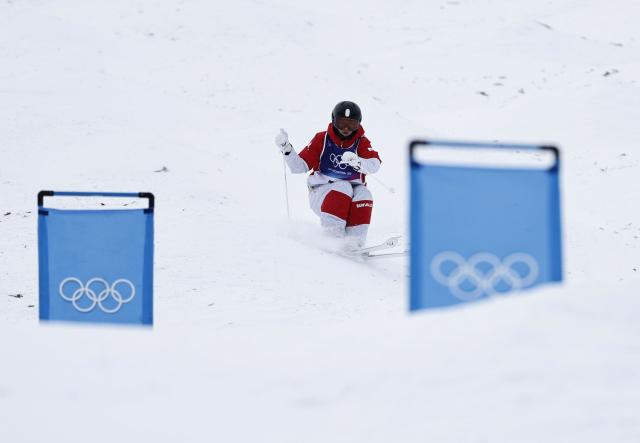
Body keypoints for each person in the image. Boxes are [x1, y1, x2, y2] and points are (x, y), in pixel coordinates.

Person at [275, 101, 382, 247]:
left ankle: (354, 243)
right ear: (333, 121)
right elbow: (299, 166)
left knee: (364, 194)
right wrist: (286, 148)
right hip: (322, 193)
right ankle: (332, 239)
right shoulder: (322, 139)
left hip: (352, 195)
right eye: (341, 123)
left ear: (358, 124)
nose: (346, 129)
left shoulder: (361, 142)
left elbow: (374, 164)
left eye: (351, 124)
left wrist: (359, 162)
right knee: (343, 186)